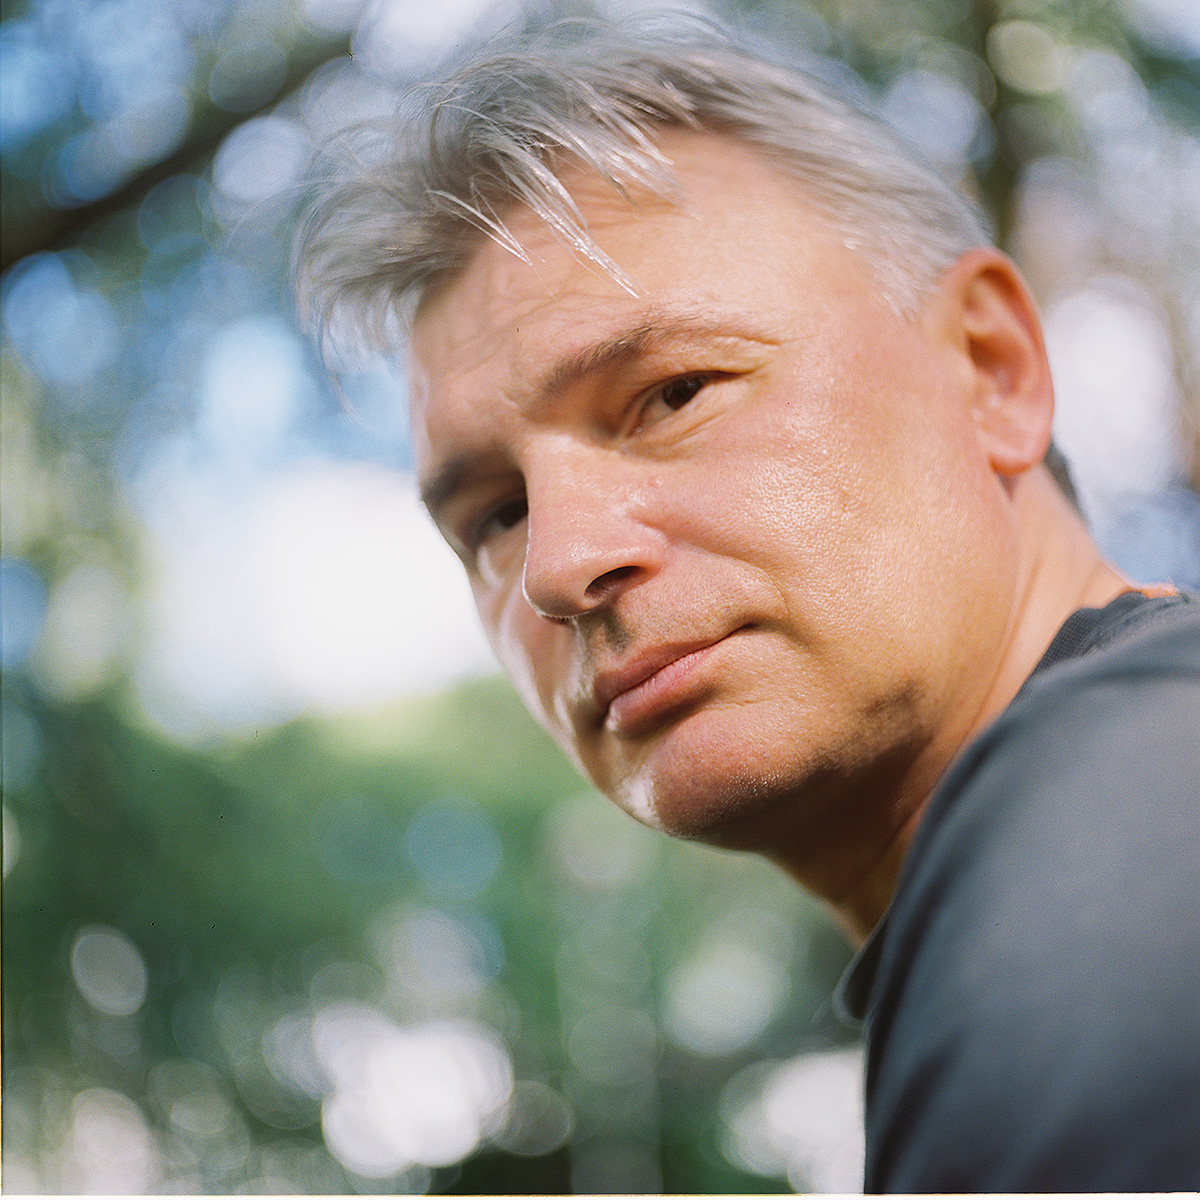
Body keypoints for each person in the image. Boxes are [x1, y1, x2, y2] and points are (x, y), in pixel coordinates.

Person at [294, 20, 1200, 1192]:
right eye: (496, 514)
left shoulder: (1135, 810)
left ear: (989, 369)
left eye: (674, 393)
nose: (559, 565)